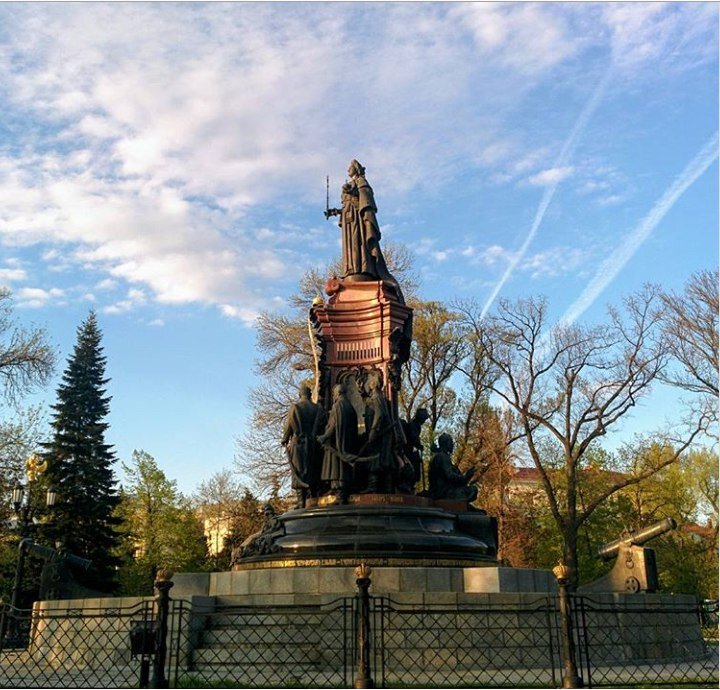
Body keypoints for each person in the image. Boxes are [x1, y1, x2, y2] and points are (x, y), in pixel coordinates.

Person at [281, 383, 325, 508]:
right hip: (314, 443)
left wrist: (284, 439)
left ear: (300, 395)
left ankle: (302, 501)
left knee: (299, 470)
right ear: (310, 395)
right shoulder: (318, 409)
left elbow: (289, 425)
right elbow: (323, 426)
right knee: (313, 469)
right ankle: (313, 498)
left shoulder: (295, 407)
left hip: (299, 443)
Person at [317, 383, 358, 501]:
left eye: (334, 393)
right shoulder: (350, 407)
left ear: (338, 393)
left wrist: (323, 437)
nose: (333, 395)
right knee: (342, 468)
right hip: (348, 443)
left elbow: (333, 426)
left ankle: (339, 493)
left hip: (336, 444)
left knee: (336, 468)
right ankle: (340, 490)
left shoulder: (337, 406)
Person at [363, 376, 396, 494]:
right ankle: (387, 488)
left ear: (373, 384)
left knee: (375, 460)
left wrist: (373, 430)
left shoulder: (376, 397)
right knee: (383, 460)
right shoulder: (378, 396)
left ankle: (374, 487)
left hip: (379, 435)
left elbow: (379, 414)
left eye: (368, 383)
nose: (366, 385)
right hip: (381, 434)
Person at [428, 433, 478, 504]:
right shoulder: (442, 457)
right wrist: (465, 477)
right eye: (451, 442)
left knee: (470, 490)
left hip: (442, 490)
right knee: (472, 490)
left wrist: (466, 477)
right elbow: (449, 475)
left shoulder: (440, 456)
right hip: (443, 492)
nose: (452, 445)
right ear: (446, 443)